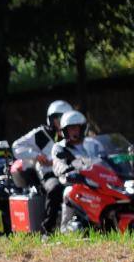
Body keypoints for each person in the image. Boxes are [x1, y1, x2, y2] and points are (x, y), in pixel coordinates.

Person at [13, 99, 73, 233]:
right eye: (59, 118)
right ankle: (48, 229)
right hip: (49, 173)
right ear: (51, 119)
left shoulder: (71, 134)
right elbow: (16, 146)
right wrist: (35, 155)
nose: (62, 121)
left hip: (69, 172)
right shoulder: (40, 134)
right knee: (55, 188)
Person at [51, 110, 92, 230]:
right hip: (73, 182)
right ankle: (65, 228)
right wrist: (68, 170)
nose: (74, 131)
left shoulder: (91, 144)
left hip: (94, 180)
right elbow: (58, 166)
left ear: (82, 128)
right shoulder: (59, 147)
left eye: (77, 128)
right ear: (65, 131)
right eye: (71, 128)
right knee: (69, 192)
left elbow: (103, 156)